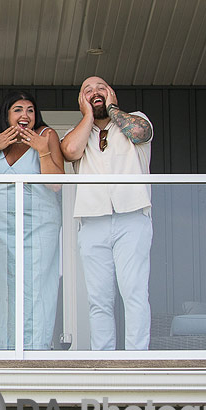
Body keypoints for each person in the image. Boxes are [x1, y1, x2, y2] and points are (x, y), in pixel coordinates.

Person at [60, 76, 154, 351]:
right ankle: (104, 360)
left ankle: (137, 361)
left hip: (132, 216)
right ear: (81, 100)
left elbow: (141, 134)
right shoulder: (78, 131)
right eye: (87, 90)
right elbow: (69, 151)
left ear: (112, 93)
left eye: (101, 88)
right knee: (99, 298)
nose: (95, 92)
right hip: (92, 221)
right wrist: (88, 115)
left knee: (134, 293)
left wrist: (111, 109)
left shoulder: (134, 119)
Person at [0, 90, 65, 350]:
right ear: (6, 114)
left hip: (40, 223)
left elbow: (56, 184)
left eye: (30, 110)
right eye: (18, 110)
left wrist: (43, 151)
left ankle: (35, 349)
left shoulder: (47, 136)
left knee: (36, 285)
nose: (25, 115)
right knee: (0, 287)